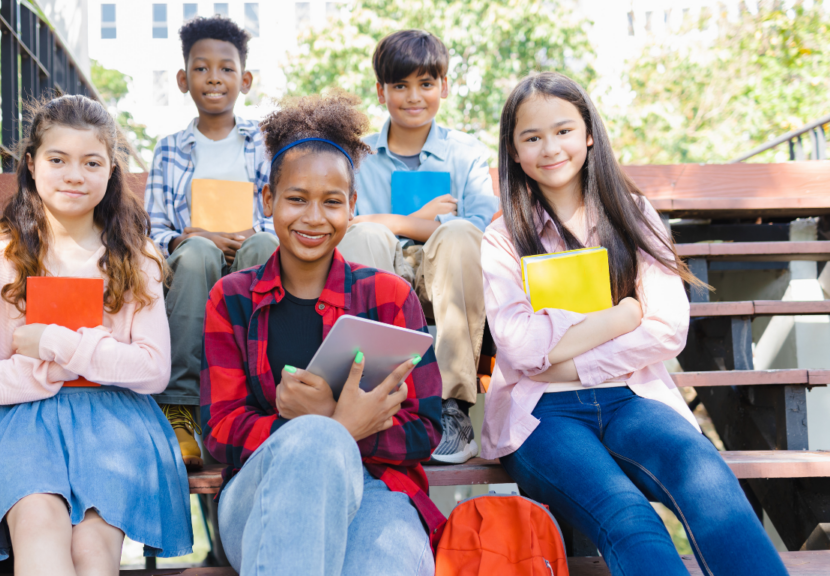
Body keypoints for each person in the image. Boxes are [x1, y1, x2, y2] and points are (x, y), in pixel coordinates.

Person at [481, 72, 788, 576]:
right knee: (628, 518)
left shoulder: (633, 214)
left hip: (633, 397)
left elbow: (667, 327)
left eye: (562, 131)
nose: (550, 148)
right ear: (514, 152)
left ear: (588, 135)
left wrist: (567, 361)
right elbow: (518, 347)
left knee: (709, 481)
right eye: (531, 138)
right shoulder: (502, 238)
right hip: (540, 415)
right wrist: (621, 316)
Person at [0, 95, 193, 574]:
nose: (74, 175)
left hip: (116, 425)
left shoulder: (135, 257)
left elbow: (153, 369)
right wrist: (56, 370)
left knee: (93, 557)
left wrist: (58, 342)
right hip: (23, 420)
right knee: (40, 540)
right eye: (58, 160)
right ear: (32, 164)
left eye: (91, 162)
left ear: (110, 171)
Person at [201, 92, 444, 576]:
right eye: (296, 199)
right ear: (268, 199)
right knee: (313, 440)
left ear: (352, 206)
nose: (314, 218)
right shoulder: (232, 297)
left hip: (378, 488)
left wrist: (331, 422)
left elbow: (425, 428)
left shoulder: (390, 296)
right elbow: (220, 431)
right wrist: (330, 430)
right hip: (263, 489)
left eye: (332, 202)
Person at [341, 29, 498, 464]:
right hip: (385, 268)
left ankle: (455, 408)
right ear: (381, 91)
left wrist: (398, 222)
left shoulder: (464, 152)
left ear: (443, 87)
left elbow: (480, 226)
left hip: (444, 271)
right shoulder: (358, 156)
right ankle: (373, 392)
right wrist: (417, 220)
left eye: (426, 84)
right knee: (365, 237)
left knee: (461, 234)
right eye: (400, 86)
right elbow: (350, 226)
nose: (413, 96)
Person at [147, 15, 279, 470]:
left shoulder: (264, 144)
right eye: (201, 69)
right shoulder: (169, 149)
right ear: (184, 80)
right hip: (193, 266)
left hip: (249, 257)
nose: (214, 78)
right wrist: (189, 235)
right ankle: (181, 407)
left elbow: (280, 213)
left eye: (225, 68)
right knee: (198, 252)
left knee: (264, 249)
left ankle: (263, 396)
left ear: (244, 79)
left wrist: (253, 233)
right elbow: (154, 229)